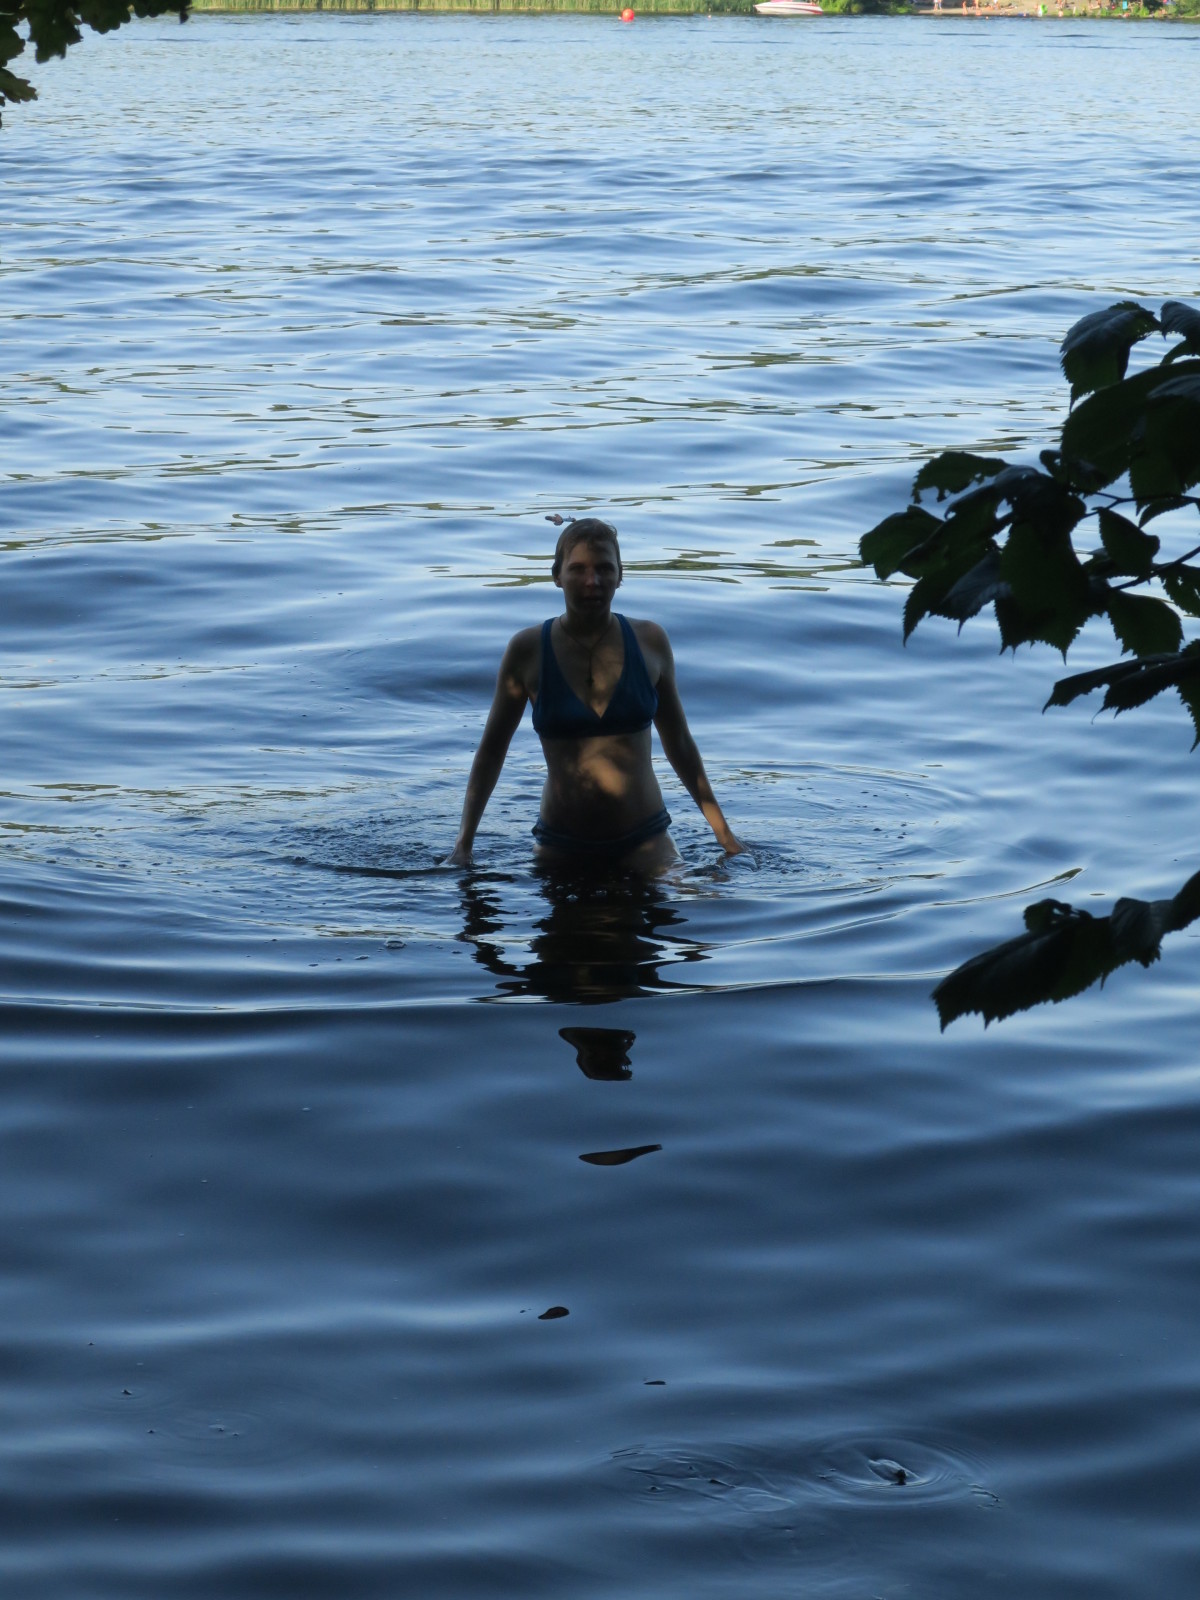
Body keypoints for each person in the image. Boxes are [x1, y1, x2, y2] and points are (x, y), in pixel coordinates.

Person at [447, 518, 743, 872]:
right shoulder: (527, 650)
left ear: (620, 575)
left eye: (604, 568)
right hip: (561, 845)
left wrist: (725, 837)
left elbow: (679, 744)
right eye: (578, 569)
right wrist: (463, 845)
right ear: (557, 576)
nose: (593, 581)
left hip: (646, 841)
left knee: (705, 900)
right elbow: (492, 751)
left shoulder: (650, 642)